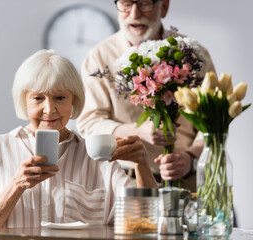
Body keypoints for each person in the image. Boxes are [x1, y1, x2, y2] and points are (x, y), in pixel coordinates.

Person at [0, 50, 157, 228]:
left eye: (60, 98)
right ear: (25, 102)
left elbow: (147, 222)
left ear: (74, 101)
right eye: (38, 98)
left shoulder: (96, 155)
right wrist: (16, 185)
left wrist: (142, 164)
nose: (49, 109)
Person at [76, 0, 216, 191]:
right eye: (126, 3)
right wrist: (138, 131)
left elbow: (213, 121)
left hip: (189, 184)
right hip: (127, 185)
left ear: (164, 7)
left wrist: (190, 158)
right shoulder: (99, 58)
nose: (134, 13)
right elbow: (89, 124)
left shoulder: (194, 55)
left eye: (144, 3)